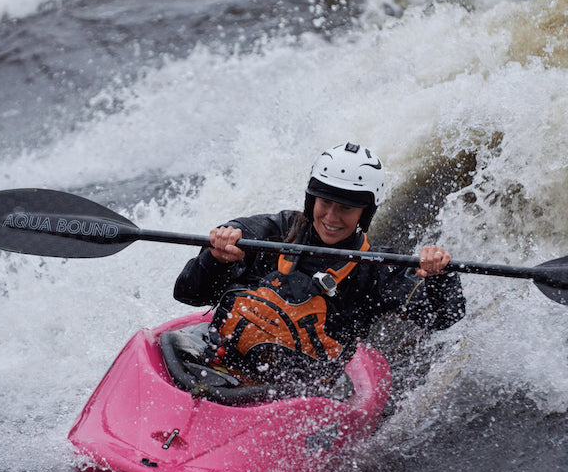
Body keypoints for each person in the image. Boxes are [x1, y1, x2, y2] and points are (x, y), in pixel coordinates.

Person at [173, 142, 465, 389]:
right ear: (311, 199)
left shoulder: (374, 269)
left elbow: (442, 317)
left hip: (293, 399)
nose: (331, 217)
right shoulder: (272, 233)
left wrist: (440, 277)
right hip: (217, 365)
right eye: (324, 203)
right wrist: (216, 257)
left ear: (365, 213)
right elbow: (188, 293)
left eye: (346, 208)